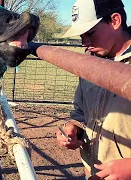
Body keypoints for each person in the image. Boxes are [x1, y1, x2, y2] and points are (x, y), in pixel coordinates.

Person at [55, 0, 131, 179]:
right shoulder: (90, 62)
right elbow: (81, 112)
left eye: (90, 33)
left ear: (115, 21)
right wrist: (74, 129)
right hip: (93, 171)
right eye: (81, 35)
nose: (84, 42)